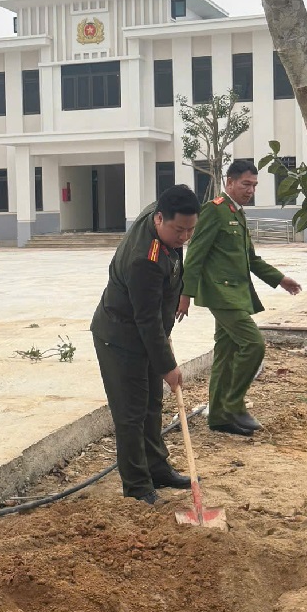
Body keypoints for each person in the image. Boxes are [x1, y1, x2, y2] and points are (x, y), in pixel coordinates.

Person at [91, 185, 199, 504]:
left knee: (152, 403)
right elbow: (147, 320)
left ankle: (157, 469)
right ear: (159, 219)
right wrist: (168, 366)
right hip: (120, 336)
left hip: (147, 330)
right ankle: (137, 486)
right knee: (131, 413)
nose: (184, 237)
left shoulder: (163, 216)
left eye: (190, 230)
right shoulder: (144, 260)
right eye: (179, 230)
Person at [179, 160, 302, 437]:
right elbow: (195, 254)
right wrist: (185, 294)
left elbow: (251, 259)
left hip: (236, 294)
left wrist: (280, 279)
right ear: (230, 182)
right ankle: (234, 404)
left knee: (226, 354)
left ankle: (219, 417)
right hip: (220, 294)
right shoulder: (214, 210)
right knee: (254, 344)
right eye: (246, 184)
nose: (251, 190)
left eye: (254, 185)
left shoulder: (238, 213)